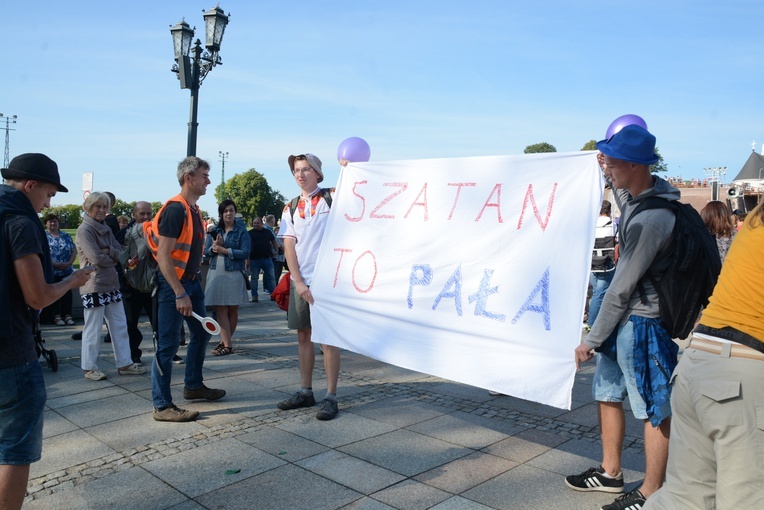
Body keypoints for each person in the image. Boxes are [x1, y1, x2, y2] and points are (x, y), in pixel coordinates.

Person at [568, 125, 679, 510]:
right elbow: (624, 197)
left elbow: (620, 288)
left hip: (642, 322)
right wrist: (605, 168)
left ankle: (652, 492)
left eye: (612, 163)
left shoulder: (653, 219)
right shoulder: (639, 197)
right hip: (623, 322)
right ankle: (610, 473)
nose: (608, 170)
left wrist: (590, 339)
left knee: (652, 407)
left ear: (634, 164)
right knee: (607, 392)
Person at [643, 202, 764, 509]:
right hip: (743, 371)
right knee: (744, 500)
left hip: (700, 359)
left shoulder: (755, 219)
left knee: (684, 497)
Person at [0, 153, 94, 509]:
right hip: (10, 351)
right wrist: (71, 280)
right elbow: (37, 295)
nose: (48, 203)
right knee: (13, 449)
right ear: (30, 185)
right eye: (49, 194)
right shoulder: (21, 221)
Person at [145, 156, 225, 422]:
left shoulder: (193, 210)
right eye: (204, 176)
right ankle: (162, 405)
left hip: (190, 283)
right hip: (174, 286)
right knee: (167, 345)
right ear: (189, 177)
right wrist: (179, 292)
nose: (208, 181)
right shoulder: (175, 209)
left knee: (202, 334)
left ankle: (193, 386)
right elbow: (164, 256)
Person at [276, 153, 341, 421]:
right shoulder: (289, 207)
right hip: (301, 281)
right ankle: (306, 391)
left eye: (305, 169)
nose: (300, 174)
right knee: (303, 335)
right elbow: (288, 245)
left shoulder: (333, 197)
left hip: (328, 281)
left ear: (317, 172)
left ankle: (331, 396)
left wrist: (351, 168)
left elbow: (361, 190)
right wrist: (298, 280)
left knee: (328, 339)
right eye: (296, 170)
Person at [76, 192, 146, 381]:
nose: (101, 210)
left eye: (104, 206)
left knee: (120, 325)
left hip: (111, 283)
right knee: (93, 328)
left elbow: (120, 253)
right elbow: (95, 258)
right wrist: (111, 253)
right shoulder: (85, 230)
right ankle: (89, 367)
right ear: (89, 207)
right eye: (97, 206)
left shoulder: (104, 228)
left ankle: (124, 363)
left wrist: (108, 252)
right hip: (94, 284)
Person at [204, 199, 250, 356]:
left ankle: (225, 342)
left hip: (234, 273)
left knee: (232, 308)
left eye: (231, 210)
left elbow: (245, 252)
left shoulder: (241, 231)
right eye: (225, 211)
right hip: (217, 271)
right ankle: (227, 344)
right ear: (221, 214)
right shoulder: (215, 230)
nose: (229, 213)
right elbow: (205, 251)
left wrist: (225, 250)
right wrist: (214, 248)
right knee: (220, 308)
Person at [119, 201, 155, 365]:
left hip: (153, 285)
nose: (146, 217)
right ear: (134, 215)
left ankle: (167, 352)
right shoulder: (124, 234)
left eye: (149, 213)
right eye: (142, 214)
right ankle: (133, 354)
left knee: (159, 322)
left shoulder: (156, 232)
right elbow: (119, 260)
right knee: (130, 324)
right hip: (131, 286)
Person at [43, 213, 77, 326]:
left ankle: (67, 315)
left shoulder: (65, 236)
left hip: (67, 270)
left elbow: (73, 250)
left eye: (55, 221)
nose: (53, 223)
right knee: (55, 293)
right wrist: (54, 264)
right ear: (46, 224)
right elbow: (43, 253)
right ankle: (56, 316)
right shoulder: (43, 236)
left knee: (67, 293)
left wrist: (69, 263)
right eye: (50, 221)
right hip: (52, 271)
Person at [588, 200, 617, 327]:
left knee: (597, 293)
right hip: (606, 263)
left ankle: (596, 322)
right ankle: (593, 324)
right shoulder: (613, 225)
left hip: (592, 263)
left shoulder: (591, 225)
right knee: (599, 294)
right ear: (609, 211)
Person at [247, 216, 278, 302]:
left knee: (271, 277)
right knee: (254, 278)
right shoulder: (249, 233)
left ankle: (273, 295)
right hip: (254, 259)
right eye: (254, 223)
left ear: (262, 224)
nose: (255, 224)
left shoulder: (267, 232)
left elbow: (274, 241)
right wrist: (247, 259)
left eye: (257, 223)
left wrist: (276, 251)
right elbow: (247, 246)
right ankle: (254, 296)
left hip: (267, 259)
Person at [265, 214, 285, 289]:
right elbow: (275, 240)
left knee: (274, 272)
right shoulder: (268, 229)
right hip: (273, 253)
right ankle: (271, 288)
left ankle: (271, 287)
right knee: (274, 272)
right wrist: (280, 247)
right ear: (272, 221)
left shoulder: (269, 229)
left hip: (274, 253)